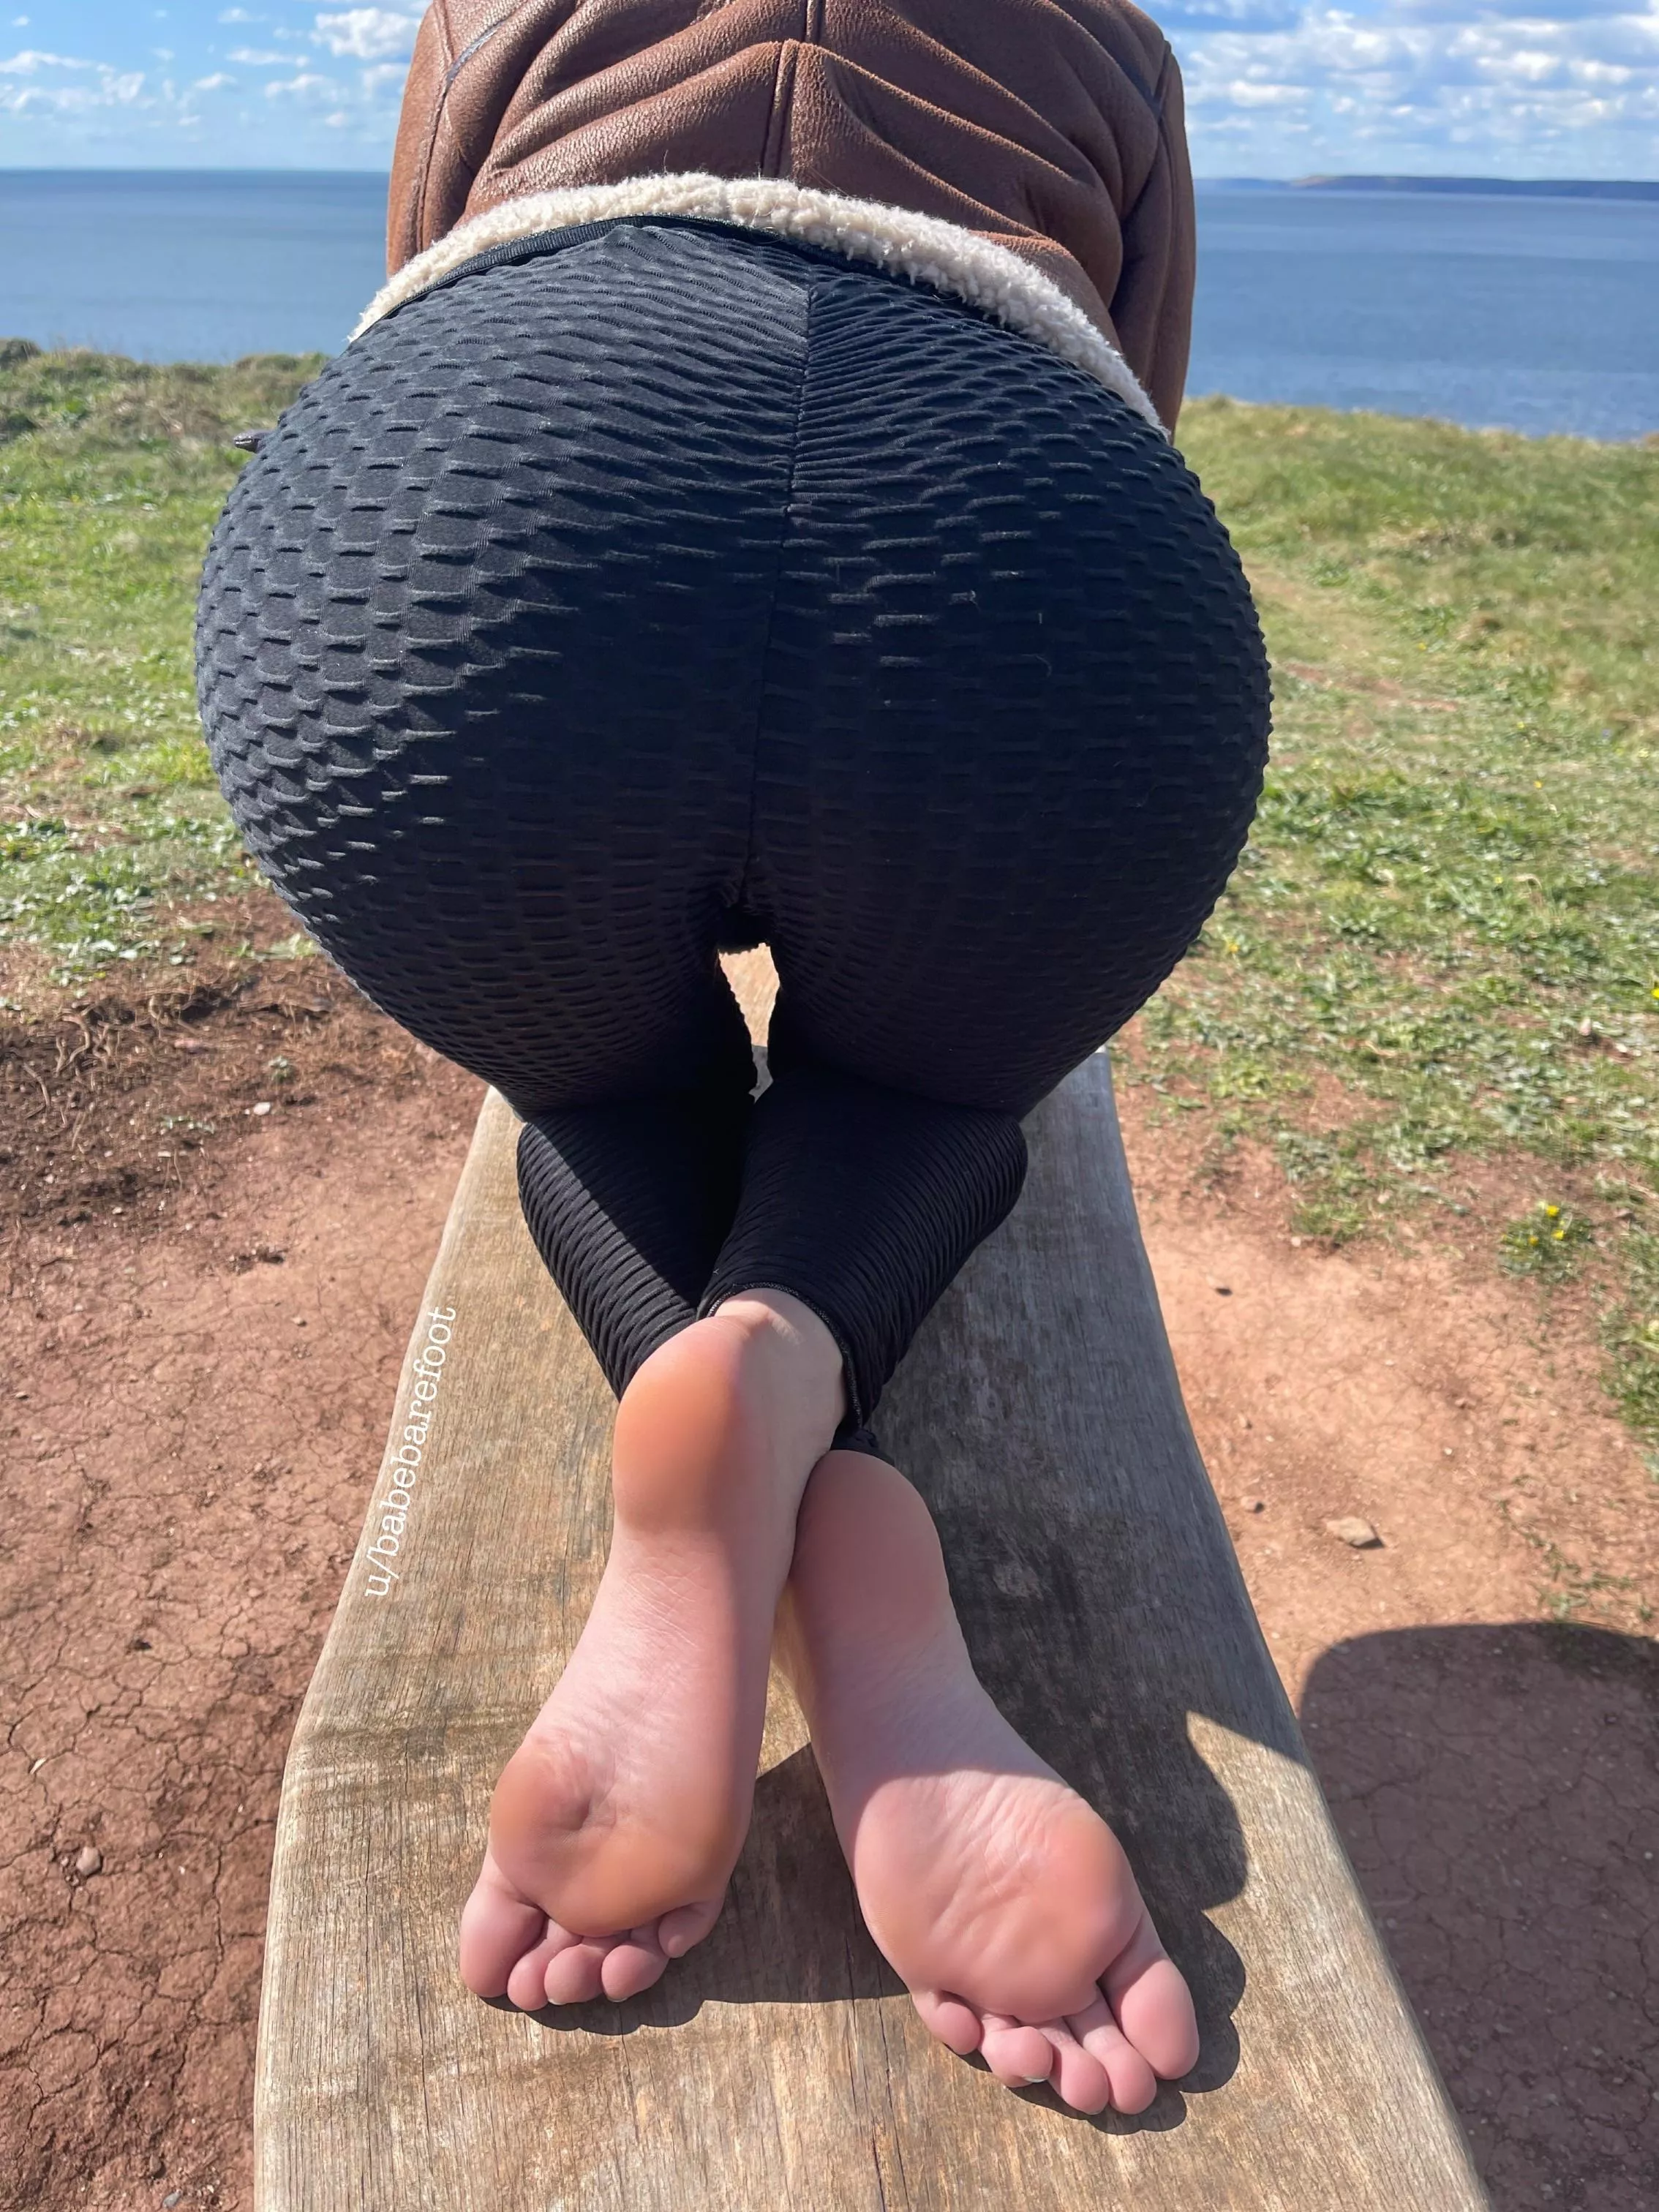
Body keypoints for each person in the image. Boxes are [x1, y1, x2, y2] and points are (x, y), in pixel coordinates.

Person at [197, 0, 1268, 2115]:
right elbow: (1131, 412)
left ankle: (726, 1465)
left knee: (606, 1087)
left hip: (479, 522)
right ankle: (790, 1373)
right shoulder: (1110, 42)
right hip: (1020, 560)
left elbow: (421, 293)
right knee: (924, 1098)